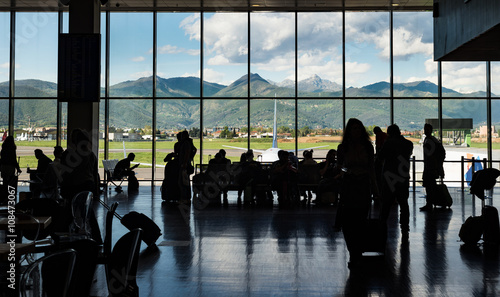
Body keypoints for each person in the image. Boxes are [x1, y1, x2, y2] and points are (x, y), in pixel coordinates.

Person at [337, 118, 377, 269]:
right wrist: (348, 171)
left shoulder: (367, 147)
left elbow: (372, 169)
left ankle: (356, 252)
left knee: (359, 221)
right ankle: (354, 252)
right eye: (354, 129)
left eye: (358, 128)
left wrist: (375, 190)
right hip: (349, 186)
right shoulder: (343, 148)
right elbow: (339, 167)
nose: (356, 131)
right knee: (349, 223)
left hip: (362, 186)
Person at [378, 124, 414, 237]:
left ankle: (382, 226)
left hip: (389, 177)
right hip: (402, 177)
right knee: (404, 203)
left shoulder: (388, 143)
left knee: (386, 204)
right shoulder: (409, 144)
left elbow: (380, 157)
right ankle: (405, 227)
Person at [420, 123, 446, 211]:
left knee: (429, 186)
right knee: (431, 186)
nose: (425, 131)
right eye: (425, 129)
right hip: (432, 167)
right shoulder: (434, 140)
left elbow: (429, 156)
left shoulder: (429, 140)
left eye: (427, 129)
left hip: (430, 168)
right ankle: (431, 202)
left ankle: (430, 203)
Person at [0, 135, 21, 201]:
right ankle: (9, 196)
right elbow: (13, 159)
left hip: (3, 166)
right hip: (10, 167)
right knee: (10, 182)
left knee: (5, 181)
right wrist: (18, 168)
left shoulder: (3, 148)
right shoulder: (12, 149)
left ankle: (4, 195)